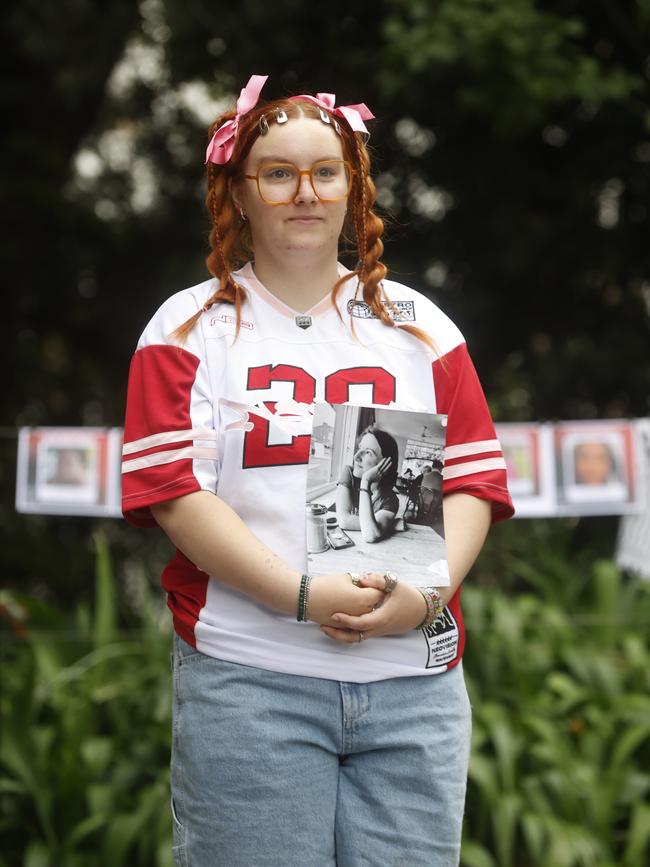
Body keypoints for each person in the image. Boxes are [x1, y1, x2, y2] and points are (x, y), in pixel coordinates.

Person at [121, 74, 513, 867]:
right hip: (250, 681)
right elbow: (174, 494)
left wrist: (427, 593)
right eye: (277, 172)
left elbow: (473, 481)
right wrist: (300, 595)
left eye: (325, 171)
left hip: (417, 684)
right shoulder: (185, 327)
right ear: (237, 192)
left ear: (354, 187)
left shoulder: (422, 328)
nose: (305, 192)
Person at [335, 426, 400, 542]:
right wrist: (388, 526)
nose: (356, 457)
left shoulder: (391, 500)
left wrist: (366, 481)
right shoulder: (348, 473)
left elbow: (370, 535)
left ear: (386, 464)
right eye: (360, 448)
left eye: (368, 453)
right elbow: (344, 521)